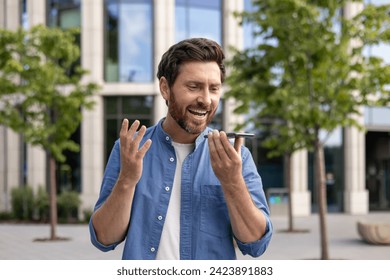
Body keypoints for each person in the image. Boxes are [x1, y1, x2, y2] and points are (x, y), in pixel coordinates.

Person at [89, 38, 272, 260]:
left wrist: (232, 182)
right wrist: (127, 180)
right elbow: (104, 238)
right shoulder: (129, 150)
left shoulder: (236, 156)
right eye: (193, 87)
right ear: (165, 88)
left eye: (214, 89)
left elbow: (256, 244)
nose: (206, 99)